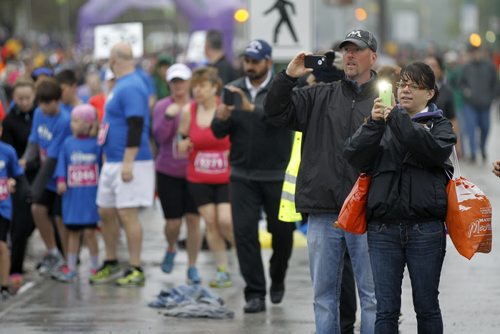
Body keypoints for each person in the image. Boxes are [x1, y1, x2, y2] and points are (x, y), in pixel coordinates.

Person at [264, 29, 378, 333]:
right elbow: (274, 113)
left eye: (357, 50)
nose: (350, 55)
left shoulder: (385, 100)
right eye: (346, 50)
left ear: (372, 57)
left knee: (373, 298)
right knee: (324, 298)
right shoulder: (319, 95)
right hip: (324, 211)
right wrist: (288, 76)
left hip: (369, 213)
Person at [344, 62, 456, 333]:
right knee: (386, 311)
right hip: (383, 229)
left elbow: (430, 150)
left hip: (425, 229)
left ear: (429, 93)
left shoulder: (440, 126)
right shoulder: (381, 121)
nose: (404, 90)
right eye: (401, 84)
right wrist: (373, 123)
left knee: (427, 306)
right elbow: (354, 155)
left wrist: (394, 118)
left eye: (413, 85)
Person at [211, 39, 295, 313]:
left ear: (268, 62)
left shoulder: (280, 90)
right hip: (242, 175)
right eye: (246, 60)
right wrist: (221, 118)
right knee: (244, 233)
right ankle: (255, 292)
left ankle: (278, 275)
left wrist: (252, 110)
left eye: (255, 61)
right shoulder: (231, 89)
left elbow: (283, 121)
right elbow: (218, 132)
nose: (250, 66)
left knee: (282, 233)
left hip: (276, 174)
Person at [91, 42, 155, 287]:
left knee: (127, 213)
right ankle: (111, 260)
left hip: (130, 161)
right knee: (105, 211)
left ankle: (136, 266)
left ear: (115, 59)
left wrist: (128, 160)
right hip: (113, 159)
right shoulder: (119, 85)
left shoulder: (132, 86)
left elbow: (136, 124)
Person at [178, 67, 234, 288]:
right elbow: (181, 140)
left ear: (214, 88)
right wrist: (181, 145)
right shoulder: (188, 111)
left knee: (226, 221)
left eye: (202, 86)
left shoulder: (225, 109)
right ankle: (223, 270)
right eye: (195, 86)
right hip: (198, 177)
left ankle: (248, 257)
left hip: (225, 176)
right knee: (210, 223)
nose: (197, 90)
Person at [152, 63, 201, 284]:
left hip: (193, 171)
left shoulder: (197, 106)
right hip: (168, 171)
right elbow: (159, 138)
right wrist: (169, 118)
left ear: (189, 83)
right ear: (169, 84)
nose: (178, 86)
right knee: (173, 223)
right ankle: (171, 247)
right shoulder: (162, 106)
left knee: (193, 220)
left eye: (182, 81)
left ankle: (192, 266)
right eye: (174, 82)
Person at [22, 78, 72, 276]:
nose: (43, 107)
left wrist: (34, 189)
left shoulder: (64, 120)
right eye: (41, 102)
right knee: (37, 210)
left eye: (47, 102)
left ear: (57, 101)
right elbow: (33, 142)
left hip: (60, 175)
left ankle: (69, 260)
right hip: (46, 175)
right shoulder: (38, 113)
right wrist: (23, 161)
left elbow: (52, 158)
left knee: (60, 219)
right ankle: (53, 252)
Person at [52, 104, 101, 282]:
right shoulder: (67, 143)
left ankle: (95, 266)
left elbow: (101, 167)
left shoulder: (96, 144)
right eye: (72, 120)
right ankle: (71, 266)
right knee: (73, 232)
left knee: (90, 233)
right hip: (72, 198)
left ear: (89, 123)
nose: (72, 124)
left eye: (76, 121)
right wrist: (61, 180)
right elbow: (61, 165)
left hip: (90, 197)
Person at [1, 77, 37, 287]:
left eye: (27, 98)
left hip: (35, 171)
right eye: (20, 98)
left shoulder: (38, 116)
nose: (24, 102)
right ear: (14, 98)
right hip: (14, 174)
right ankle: (15, 268)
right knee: (20, 225)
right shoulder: (9, 122)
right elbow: (6, 154)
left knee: (39, 218)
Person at [0, 125, 27, 300]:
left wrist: (13, 183)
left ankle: (3, 285)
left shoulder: (7, 151)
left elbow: (17, 174)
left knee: (1, 245)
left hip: (2, 207)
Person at [459, 45, 497, 163]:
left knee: (485, 127)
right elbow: (461, 83)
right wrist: (466, 91)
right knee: (471, 128)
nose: (477, 55)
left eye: (479, 52)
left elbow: (495, 84)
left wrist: (491, 97)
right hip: (470, 104)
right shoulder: (467, 67)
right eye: (474, 53)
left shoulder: (490, 67)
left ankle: (482, 147)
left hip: (485, 104)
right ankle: (473, 153)